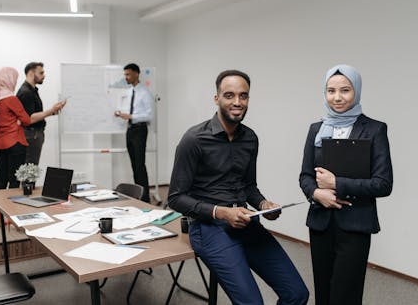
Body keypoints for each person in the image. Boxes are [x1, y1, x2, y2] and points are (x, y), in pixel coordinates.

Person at [168, 70, 309, 305]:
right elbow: (175, 198)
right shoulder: (193, 139)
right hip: (209, 228)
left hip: (246, 222)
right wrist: (222, 212)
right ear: (217, 99)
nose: (237, 102)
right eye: (229, 95)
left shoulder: (250, 138)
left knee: (297, 294)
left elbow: (249, 186)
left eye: (243, 96)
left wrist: (264, 204)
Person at [299, 64, 393, 305]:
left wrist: (337, 183)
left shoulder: (374, 129)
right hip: (320, 223)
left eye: (345, 90)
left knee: (346, 295)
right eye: (331, 91)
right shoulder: (316, 129)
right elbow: (305, 176)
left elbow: (383, 184)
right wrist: (317, 193)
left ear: (357, 92)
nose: (337, 97)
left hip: (355, 224)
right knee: (323, 291)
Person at [114, 63, 154, 203]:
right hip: (130, 130)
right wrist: (120, 114)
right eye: (125, 74)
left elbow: (149, 116)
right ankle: (138, 195)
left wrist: (131, 117)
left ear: (137, 74)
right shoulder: (129, 92)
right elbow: (128, 110)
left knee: (139, 165)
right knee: (134, 165)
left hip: (140, 130)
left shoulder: (145, 92)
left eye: (128, 74)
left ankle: (145, 198)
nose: (126, 77)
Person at [16, 62, 66, 166]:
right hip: (31, 134)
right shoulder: (26, 92)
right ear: (31, 73)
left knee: (30, 169)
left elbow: (34, 114)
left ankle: (28, 183)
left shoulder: (32, 90)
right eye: (41, 73)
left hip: (33, 134)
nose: (44, 75)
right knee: (30, 170)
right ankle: (28, 184)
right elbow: (30, 118)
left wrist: (53, 112)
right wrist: (50, 110)